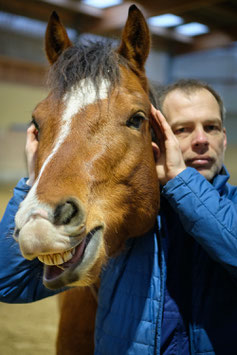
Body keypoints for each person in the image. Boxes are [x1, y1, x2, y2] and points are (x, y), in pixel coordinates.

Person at [0, 79, 237, 355]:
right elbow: (9, 283)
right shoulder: (126, 222)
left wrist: (181, 181)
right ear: (157, 138)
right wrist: (33, 181)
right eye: (182, 130)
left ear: (224, 137)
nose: (200, 140)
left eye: (211, 127)